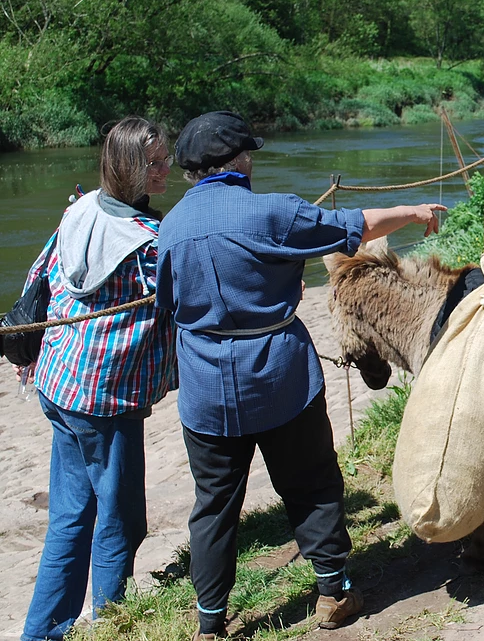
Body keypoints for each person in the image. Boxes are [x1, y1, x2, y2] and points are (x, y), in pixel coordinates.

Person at [154, 111, 445, 640]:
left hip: (206, 388)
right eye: (250, 154)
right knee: (310, 483)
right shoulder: (274, 213)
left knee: (214, 505)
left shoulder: (169, 228)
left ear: (190, 172)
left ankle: (210, 623)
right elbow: (356, 227)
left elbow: (166, 308)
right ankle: (334, 593)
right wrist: (412, 210)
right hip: (279, 377)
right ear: (240, 161)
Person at [18, 118, 178, 641]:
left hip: (59, 381)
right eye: (154, 163)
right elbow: (191, 298)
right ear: (129, 168)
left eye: (166, 157)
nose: (165, 168)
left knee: (69, 518)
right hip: (105, 401)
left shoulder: (77, 209)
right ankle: (111, 624)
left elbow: (37, 276)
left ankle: (42, 633)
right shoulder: (149, 244)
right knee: (119, 520)